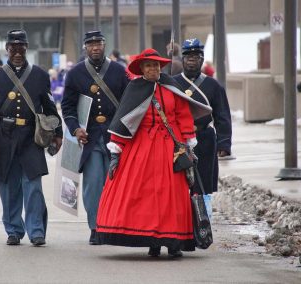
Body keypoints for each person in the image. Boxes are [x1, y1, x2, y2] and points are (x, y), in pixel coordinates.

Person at [95, 48, 211, 257]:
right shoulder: (134, 88)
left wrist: (188, 144)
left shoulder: (171, 87)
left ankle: (174, 242)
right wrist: (116, 151)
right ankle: (153, 241)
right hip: (141, 148)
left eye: (156, 65)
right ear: (141, 69)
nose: (153, 69)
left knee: (172, 196)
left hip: (171, 150)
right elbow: (124, 120)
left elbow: (183, 116)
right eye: (149, 65)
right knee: (145, 195)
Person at [0, 29, 63, 246]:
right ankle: (14, 230)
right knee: (8, 189)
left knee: (33, 188)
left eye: (21, 48)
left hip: (31, 139)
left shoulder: (40, 75)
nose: (17, 52)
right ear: (7, 49)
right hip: (3, 140)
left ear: (26, 49)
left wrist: (58, 133)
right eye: (13, 48)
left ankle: (36, 231)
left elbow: (50, 108)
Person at [61, 31, 129, 245]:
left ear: (104, 44)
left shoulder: (120, 71)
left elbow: (129, 104)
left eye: (98, 43)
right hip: (89, 139)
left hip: (115, 137)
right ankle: (96, 227)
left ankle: (116, 225)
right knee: (92, 185)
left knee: (117, 184)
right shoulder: (75, 74)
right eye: (90, 44)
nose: (95, 47)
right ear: (85, 47)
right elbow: (68, 106)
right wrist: (74, 129)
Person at [173, 38, 232, 218]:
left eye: (196, 56)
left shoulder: (213, 85)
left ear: (202, 59)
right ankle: (181, 218)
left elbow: (222, 115)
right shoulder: (172, 83)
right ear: (182, 59)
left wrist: (223, 143)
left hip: (204, 137)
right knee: (179, 180)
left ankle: (203, 218)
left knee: (203, 180)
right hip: (179, 139)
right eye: (188, 56)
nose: (192, 60)